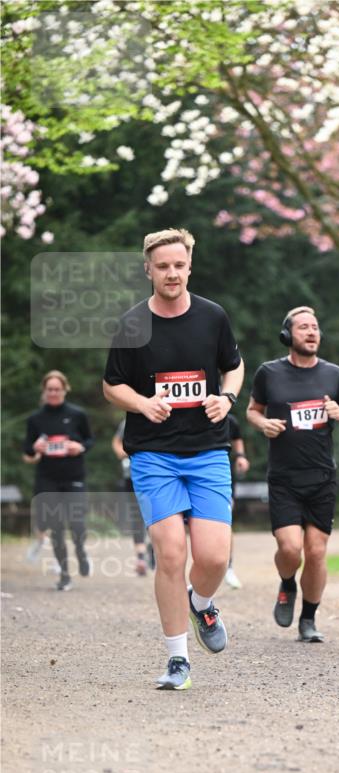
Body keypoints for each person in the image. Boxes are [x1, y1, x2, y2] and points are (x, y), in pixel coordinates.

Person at [103, 228, 244, 691]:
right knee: (170, 552)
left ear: (189, 266)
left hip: (207, 451)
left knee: (214, 558)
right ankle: (177, 659)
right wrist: (144, 404)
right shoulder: (131, 325)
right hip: (154, 455)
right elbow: (111, 386)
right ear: (148, 270)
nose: (171, 273)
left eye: (178, 265)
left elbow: (234, 365)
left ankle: (201, 603)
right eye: (162, 266)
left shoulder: (213, 316)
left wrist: (226, 397)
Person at [246, 306, 339, 641]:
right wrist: (264, 423)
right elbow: (252, 411)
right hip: (284, 477)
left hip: (321, 476)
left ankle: (308, 619)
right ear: (288, 335)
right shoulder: (269, 373)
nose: (311, 333)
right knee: (291, 549)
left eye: (315, 327)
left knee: (316, 551)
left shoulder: (334, 375)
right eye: (303, 328)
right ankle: (286, 584)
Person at [23, 371, 94, 591]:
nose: (53, 393)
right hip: (48, 479)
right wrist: (35, 447)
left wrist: (79, 447)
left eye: (57, 389)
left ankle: (81, 551)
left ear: (65, 389)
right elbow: (27, 448)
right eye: (49, 389)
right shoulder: (35, 419)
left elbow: (90, 440)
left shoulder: (77, 414)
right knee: (56, 528)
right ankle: (64, 574)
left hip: (74, 477)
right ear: (44, 391)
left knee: (77, 525)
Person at [112, 418, 154, 575]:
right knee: (137, 515)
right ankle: (141, 558)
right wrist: (122, 453)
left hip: (154, 475)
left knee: (156, 514)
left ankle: (153, 548)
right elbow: (116, 441)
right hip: (131, 476)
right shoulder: (128, 421)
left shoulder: (162, 415)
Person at [223, 413, 250, 589]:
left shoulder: (229, 419)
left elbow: (237, 438)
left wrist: (241, 456)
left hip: (221, 475)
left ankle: (229, 567)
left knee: (225, 520)